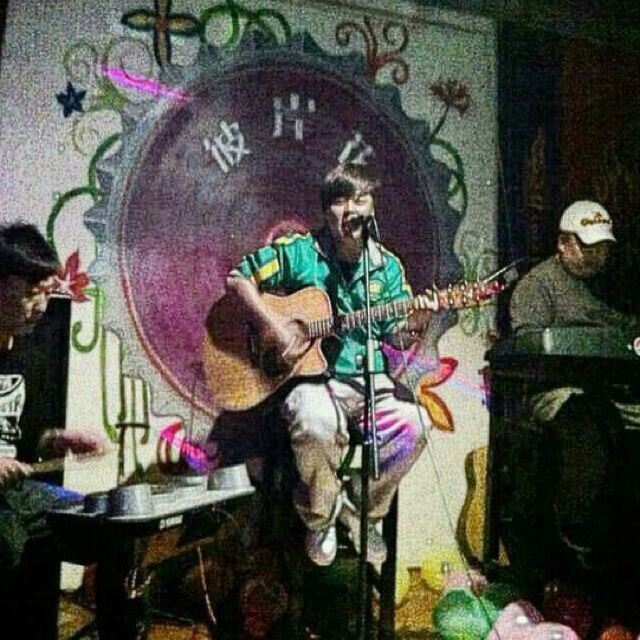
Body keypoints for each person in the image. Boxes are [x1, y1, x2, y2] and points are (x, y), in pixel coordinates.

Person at [224, 163, 437, 566]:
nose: (350, 210)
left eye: (360, 199)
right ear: (326, 211)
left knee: (417, 424)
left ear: (372, 208)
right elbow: (239, 278)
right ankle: (321, 515)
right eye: (339, 201)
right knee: (315, 420)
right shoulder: (303, 251)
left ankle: (363, 511)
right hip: (314, 383)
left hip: (370, 383)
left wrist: (419, 320)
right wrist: (275, 327)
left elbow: (395, 335)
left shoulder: (387, 267)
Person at [508, 200, 640, 625]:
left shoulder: (612, 286)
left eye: (602, 248)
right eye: (587, 247)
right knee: (584, 424)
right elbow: (530, 346)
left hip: (614, 390)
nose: (596, 256)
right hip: (557, 391)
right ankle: (577, 528)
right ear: (563, 243)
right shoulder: (537, 286)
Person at [0, 222, 105, 638]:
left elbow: (19, 437)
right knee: (6, 540)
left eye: (47, 293)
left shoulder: (27, 349)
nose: (42, 306)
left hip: (17, 492)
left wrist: (57, 439)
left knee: (102, 522)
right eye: (32, 293)